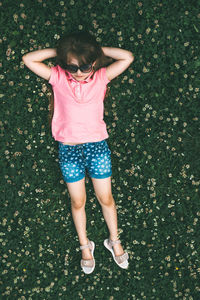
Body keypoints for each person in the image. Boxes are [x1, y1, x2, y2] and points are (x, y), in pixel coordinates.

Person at [22, 31, 134, 274]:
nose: (80, 72)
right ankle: (86, 245)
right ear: (64, 65)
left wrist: (94, 51)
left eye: (85, 66)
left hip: (97, 148)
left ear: (93, 62)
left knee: (106, 198)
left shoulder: (101, 77)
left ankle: (114, 240)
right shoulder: (59, 78)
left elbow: (127, 58)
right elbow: (29, 59)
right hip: (68, 149)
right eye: (73, 67)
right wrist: (60, 53)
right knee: (78, 200)